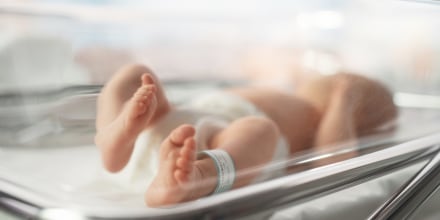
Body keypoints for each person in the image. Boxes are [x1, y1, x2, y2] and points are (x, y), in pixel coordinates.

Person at [94, 64, 397, 207]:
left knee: (259, 130)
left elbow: (334, 159)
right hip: (171, 124)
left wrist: (342, 102)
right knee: (135, 75)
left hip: (215, 146)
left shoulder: (319, 120)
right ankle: (116, 135)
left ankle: (201, 175)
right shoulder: (290, 95)